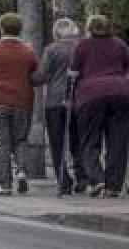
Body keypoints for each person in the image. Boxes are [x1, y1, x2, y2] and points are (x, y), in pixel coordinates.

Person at [71, 14, 129, 199]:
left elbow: (73, 72)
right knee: (118, 142)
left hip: (90, 95)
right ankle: (113, 186)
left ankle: (96, 180)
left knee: (89, 140)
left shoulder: (83, 45)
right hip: (120, 93)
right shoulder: (120, 44)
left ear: (89, 27)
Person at [0, 12, 37, 196]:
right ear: (20, 29)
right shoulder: (28, 50)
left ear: (1, 28)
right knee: (21, 139)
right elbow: (35, 73)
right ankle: (21, 170)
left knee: (1, 143)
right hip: (22, 100)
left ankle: (5, 184)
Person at [32, 17, 86, 194]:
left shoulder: (51, 50)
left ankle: (63, 181)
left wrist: (31, 77)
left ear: (56, 33)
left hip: (54, 101)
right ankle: (82, 178)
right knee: (78, 140)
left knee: (57, 142)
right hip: (79, 99)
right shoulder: (82, 48)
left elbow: (40, 76)